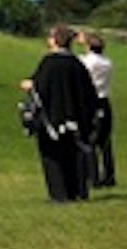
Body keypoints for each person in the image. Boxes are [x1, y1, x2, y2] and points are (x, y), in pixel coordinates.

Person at [20, 24, 99, 203]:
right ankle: (76, 191)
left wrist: (29, 86)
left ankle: (59, 193)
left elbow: (41, 88)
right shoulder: (77, 64)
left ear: (55, 40)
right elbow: (89, 93)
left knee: (52, 156)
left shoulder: (49, 62)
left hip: (53, 118)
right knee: (72, 155)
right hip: (75, 118)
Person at [79, 32, 115, 188]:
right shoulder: (107, 62)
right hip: (105, 100)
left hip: (91, 101)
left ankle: (92, 176)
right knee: (105, 141)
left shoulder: (86, 62)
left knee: (89, 139)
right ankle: (109, 174)